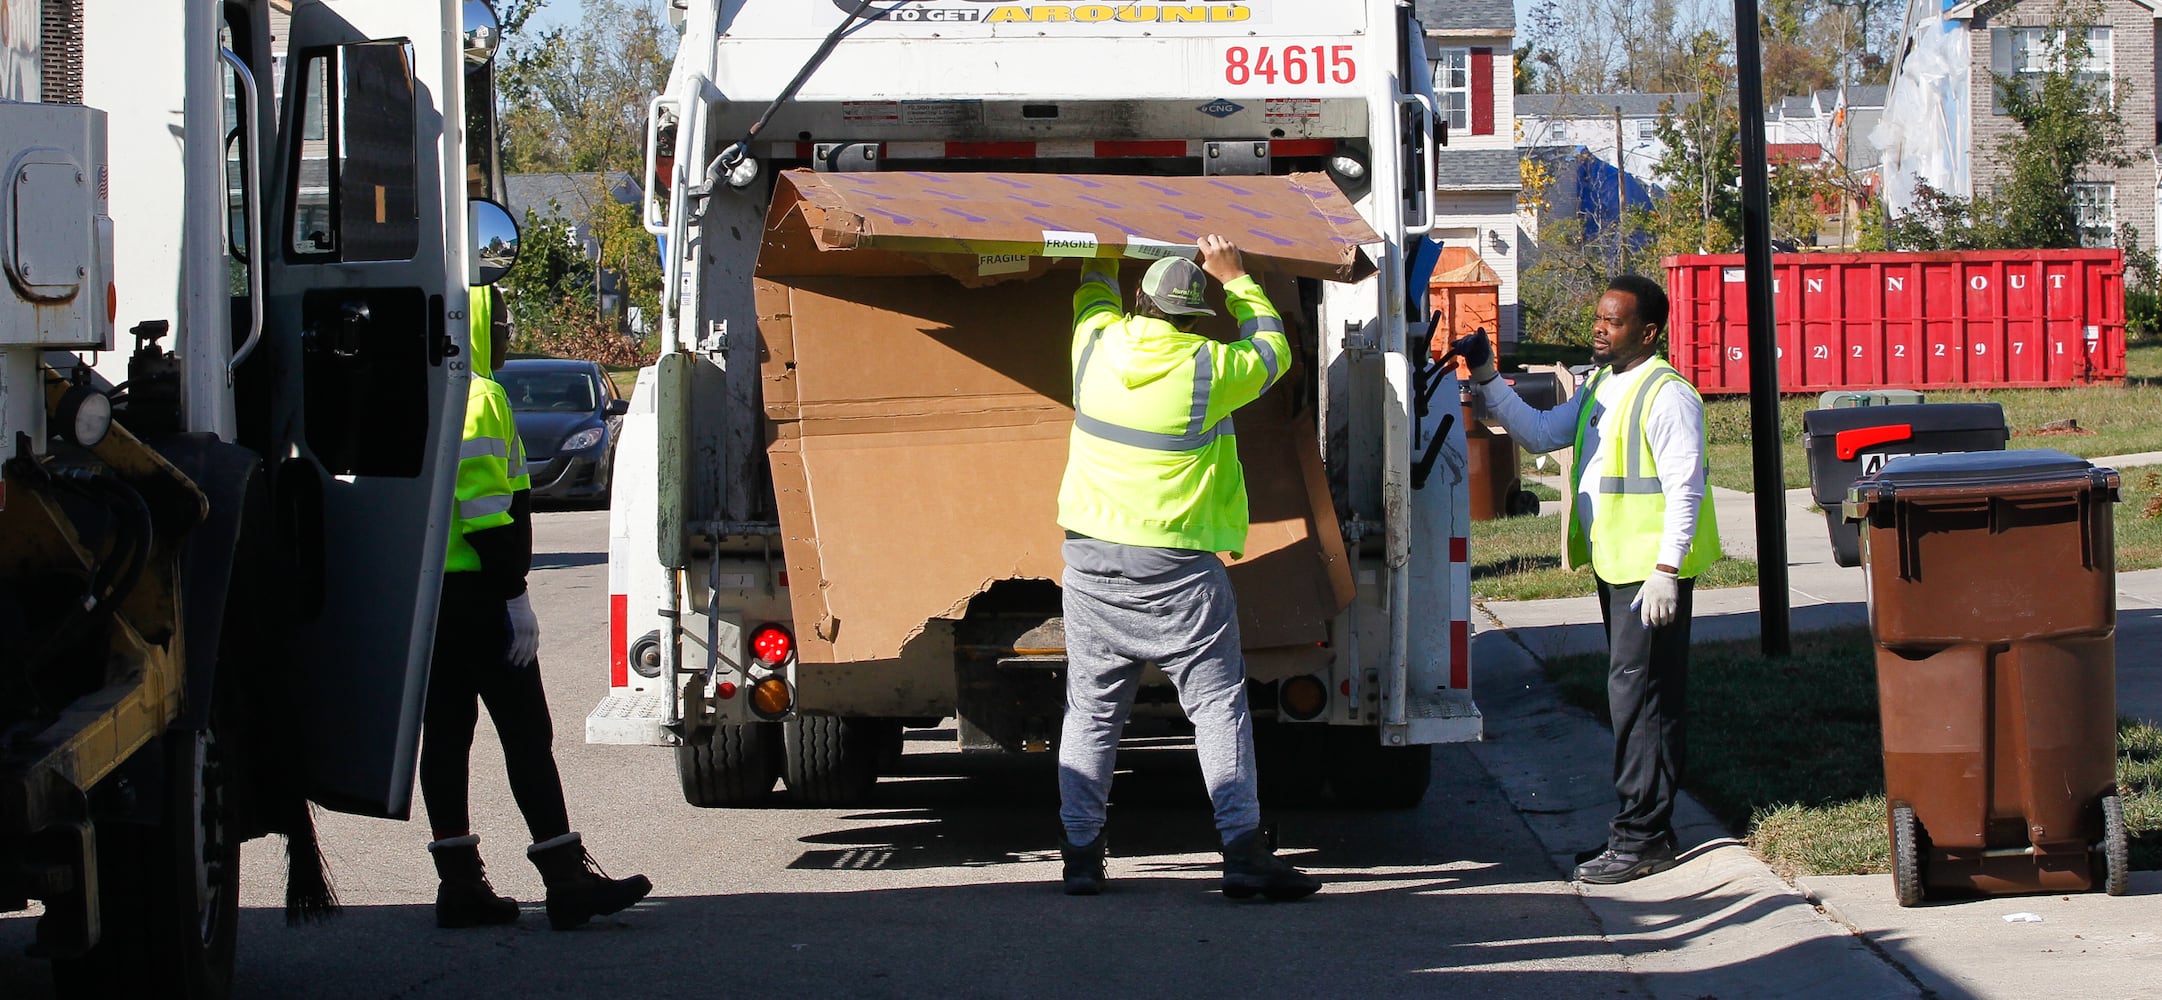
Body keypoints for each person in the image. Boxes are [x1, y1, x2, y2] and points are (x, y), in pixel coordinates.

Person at [1053, 234, 1320, 902]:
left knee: (1090, 711)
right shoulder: (1206, 368)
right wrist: (1236, 279)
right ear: (1191, 317)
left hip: (1088, 562)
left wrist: (1101, 244)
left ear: (1138, 302)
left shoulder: (1093, 345)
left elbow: (1092, 289)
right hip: (1173, 569)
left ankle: (1081, 859)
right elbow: (1274, 349)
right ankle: (1242, 853)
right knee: (1216, 705)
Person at [1449, 274, 1721, 885]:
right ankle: (1647, 827)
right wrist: (1489, 378)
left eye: (1614, 320)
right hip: (1620, 566)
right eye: (1598, 317)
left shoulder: (1668, 395)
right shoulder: (1604, 382)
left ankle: (1642, 838)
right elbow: (1544, 433)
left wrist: (1667, 572)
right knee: (1637, 699)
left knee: (1641, 703)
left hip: (1648, 575)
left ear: (1647, 333)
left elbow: (1686, 490)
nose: (1599, 328)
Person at [420, 285, 652, 929]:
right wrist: (514, 593)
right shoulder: (479, 394)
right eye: (500, 321)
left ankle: (460, 884)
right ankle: (565, 878)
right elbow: (485, 510)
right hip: (479, 596)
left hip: (430, 602)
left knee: (445, 737)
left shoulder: (423, 386)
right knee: (526, 735)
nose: (507, 331)